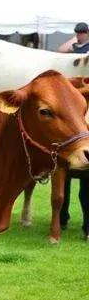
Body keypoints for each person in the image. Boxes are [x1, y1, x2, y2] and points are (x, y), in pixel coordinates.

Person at [58, 22, 89, 239]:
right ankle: (62, 219)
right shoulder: (72, 89)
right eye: (77, 33)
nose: (79, 36)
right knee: (65, 179)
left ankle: (87, 226)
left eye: (82, 33)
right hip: (74, 133)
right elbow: (60, 52)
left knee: (85, 187)